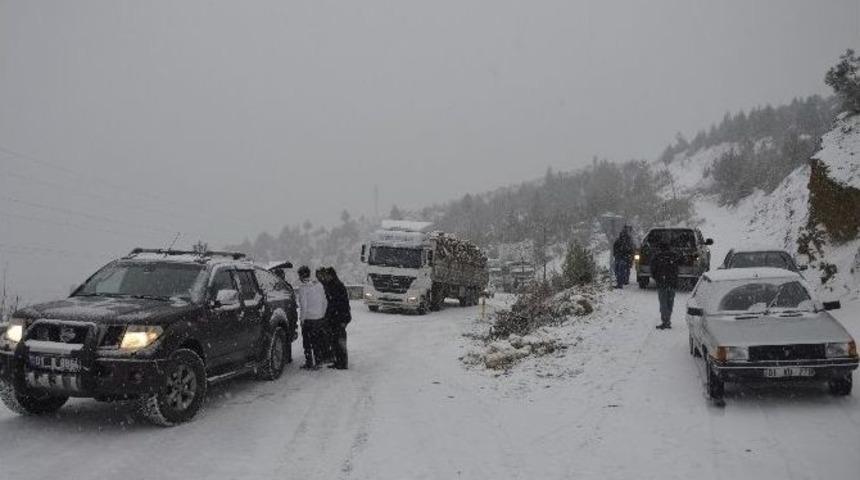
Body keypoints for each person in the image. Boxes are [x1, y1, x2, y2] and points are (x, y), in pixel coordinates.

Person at [296, 265, 328, 369]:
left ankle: (309, 362)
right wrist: (322, 314)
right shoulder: (319, 285)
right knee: (317, 341)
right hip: (319, 318)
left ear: (301, 275)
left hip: (308, 319)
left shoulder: (303, 288)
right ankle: (318, 361)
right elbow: (325, 301)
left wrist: (302, 319)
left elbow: (303, 306)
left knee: (307, 343)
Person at [321, 267, 351, 369]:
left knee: (339, 341)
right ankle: (339, 361)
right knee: (336, 341)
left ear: (331, 275)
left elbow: (341, 304)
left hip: (339, 317)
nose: (326, 277)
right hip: (335, 317)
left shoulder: (337, 286)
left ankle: (342, 363)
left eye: (327, 275)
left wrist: (343, 318)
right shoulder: (333, 285)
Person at [650, 240, 681, 329]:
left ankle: (665, 321)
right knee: (670, 302)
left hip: (662, 283)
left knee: (663, 303)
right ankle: (668, 319)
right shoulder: (674, 256)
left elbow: (653, 270)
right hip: (672, 283)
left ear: (660, 248)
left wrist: (657, 278)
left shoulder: (657, 257)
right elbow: (678, 267)